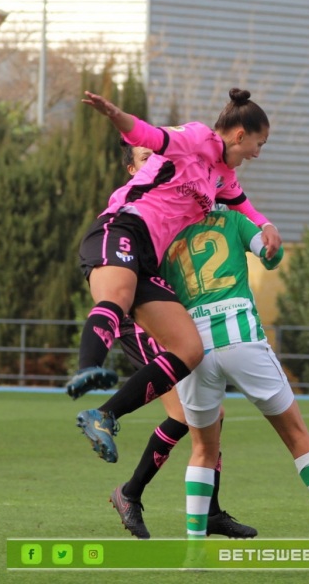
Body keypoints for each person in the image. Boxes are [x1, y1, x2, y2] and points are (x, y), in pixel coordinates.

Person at [66, 88, 282, 465]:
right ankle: (88, 369)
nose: (258, 154)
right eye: (259, 144)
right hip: (122, 227)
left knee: (189, 350)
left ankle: (105, 415)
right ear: (239, 135)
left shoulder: (222, 176)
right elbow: (149, 137)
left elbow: (242, 204)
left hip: (149, 254)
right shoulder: (199, 138)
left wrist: (265, 225)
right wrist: (116, 114)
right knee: (116, 296)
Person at [137, 205, 309, 551]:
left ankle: (194, 552)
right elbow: (270, 254)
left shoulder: (164, 231)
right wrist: (272, 240)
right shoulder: (232, 219)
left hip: (193, 349)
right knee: (297, 435)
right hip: (240, 339)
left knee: (202, 450)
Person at [106, 142, 256, 540]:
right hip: (142, 323)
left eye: (155, 158)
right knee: (190, 417)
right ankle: (130, 492)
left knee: (208, 417)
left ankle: (209, 511)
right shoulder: (131, 211)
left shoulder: (173, 202)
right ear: (130, 171)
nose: (153, 164)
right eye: (143, 159)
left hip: (174, 320)